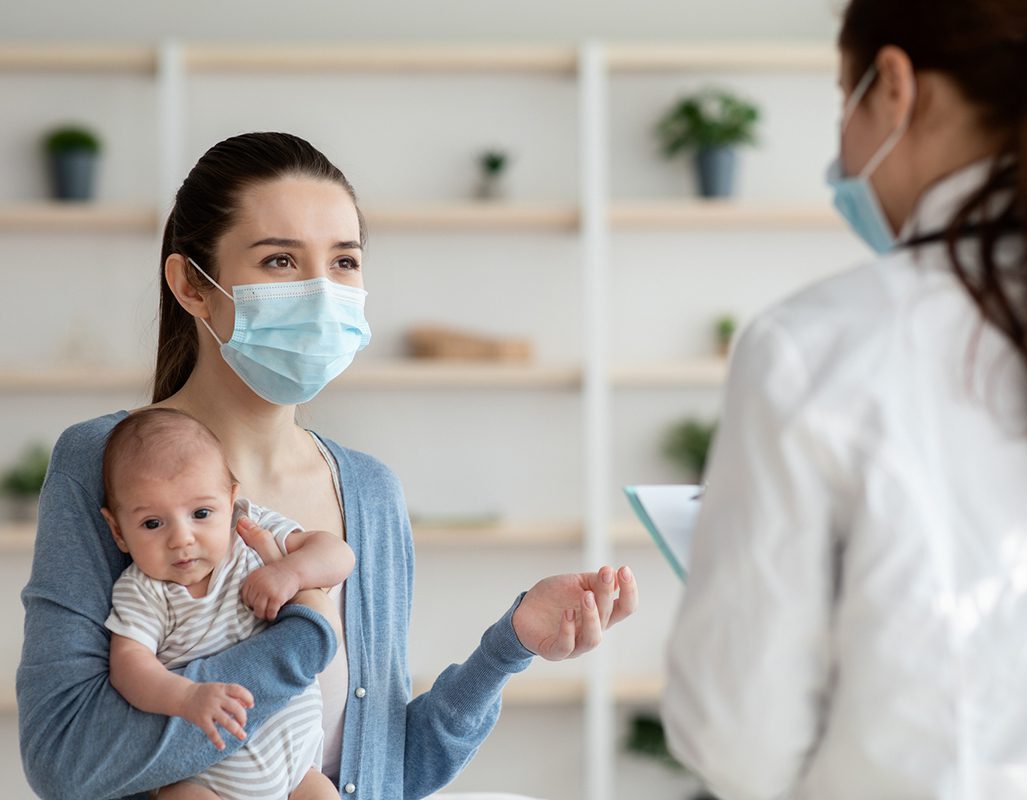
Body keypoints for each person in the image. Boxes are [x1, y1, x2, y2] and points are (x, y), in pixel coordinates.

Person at [663, 2, 1027, 798]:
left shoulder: (813, 350)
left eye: (843, 97)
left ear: (896, 87)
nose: (842, 154)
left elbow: (739, 740)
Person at [18, 131, 639, 800]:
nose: (320, 291)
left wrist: (509, 646)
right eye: (280, 261)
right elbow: (66, 763)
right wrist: (303, 638)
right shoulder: (105, 464)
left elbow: (391, 772)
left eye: (344, 262)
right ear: (192, 289)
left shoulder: (368, 493)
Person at [102, 407, 354, 799]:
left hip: (296, 770)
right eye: (153, 523)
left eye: (201, 513)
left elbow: (338, 555)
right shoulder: (145, 590)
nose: (181, 538)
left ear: (232, 499)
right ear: (118, 531)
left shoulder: (249, 534)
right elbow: (128, 667)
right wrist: (185, 696)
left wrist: (291, 573)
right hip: (206, 778)